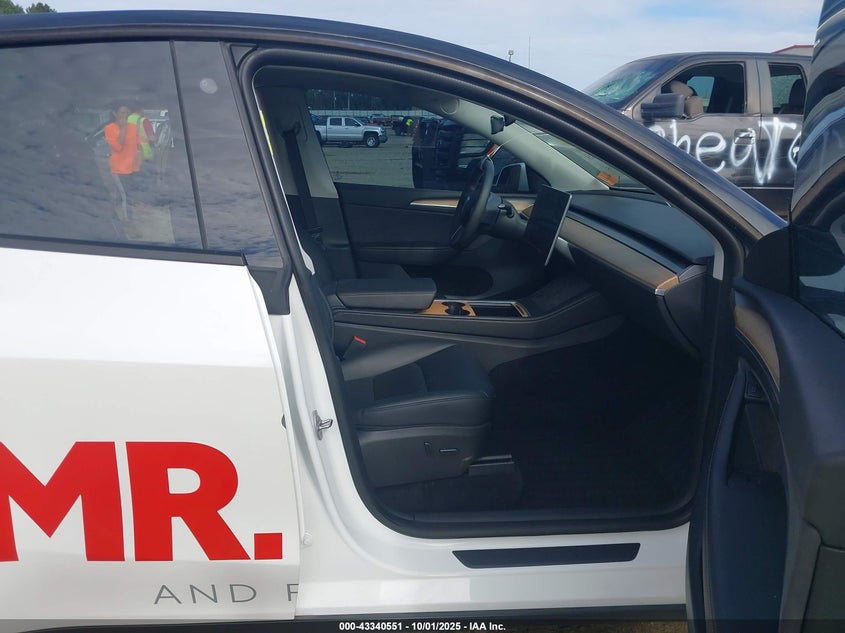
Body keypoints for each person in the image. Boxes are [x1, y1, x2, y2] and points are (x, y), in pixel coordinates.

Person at [103, 104, 140, 223]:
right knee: (126, 196)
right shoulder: (109, 128)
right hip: (119, 169)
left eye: (127, 112)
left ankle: (119, 217)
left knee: (128, 195)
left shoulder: (134, 127)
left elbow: (138, 145)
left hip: (133, 168)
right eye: (122, 112)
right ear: (115, 113)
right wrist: (123, 129)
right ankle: (127, 221)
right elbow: (118, 147)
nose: (125, 115)